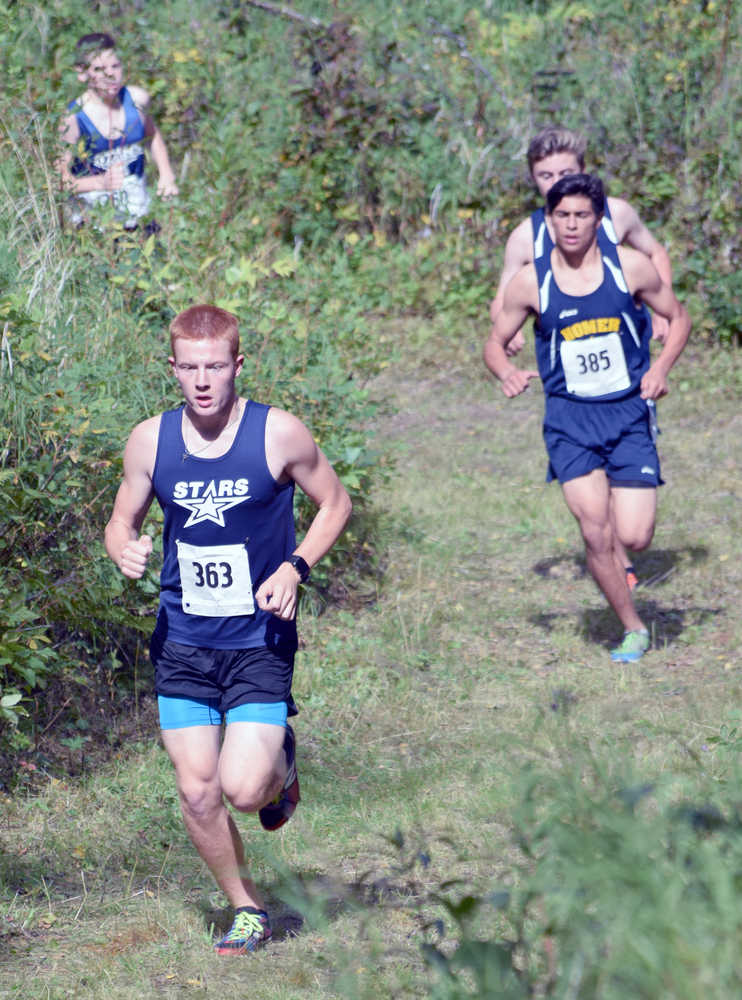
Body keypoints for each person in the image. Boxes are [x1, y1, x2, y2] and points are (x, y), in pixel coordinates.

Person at [104, 304, 352, 954]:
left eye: (215, 366)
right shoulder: (150, 442)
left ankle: (282, 763)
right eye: (190, 368)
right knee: (196, 789)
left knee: (244, 791)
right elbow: (119, 518)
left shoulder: (278, 435)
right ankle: (247, 908)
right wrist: (121, 545)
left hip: (257, 641)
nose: (204, 381)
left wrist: (297, 568)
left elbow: (336, 502)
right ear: (173, 370)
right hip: (183, 642)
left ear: (238, 364)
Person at [483, 174, 690, 663]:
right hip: (569, 421)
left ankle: (622, 564)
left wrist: (660, 368)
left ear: (599, 219)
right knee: (595, 529)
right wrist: (506, 371)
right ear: (549, 220)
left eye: (581, 215)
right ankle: (633, 627)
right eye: (562, 216)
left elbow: (678, 318)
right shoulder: (532, 280)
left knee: (635, 535)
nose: (571, 225)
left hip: (627, 414)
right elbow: (494, 342)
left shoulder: (630, 268)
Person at [59, 33, 179, 228]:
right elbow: (60, 181)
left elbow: (153, 135)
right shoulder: (73, 118)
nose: (110, 75)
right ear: (81, 72)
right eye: (99, 69)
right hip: (93, 228)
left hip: (139, 219)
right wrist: (100, 183)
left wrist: (166, 174)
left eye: (115, 66)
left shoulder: (137, 100)